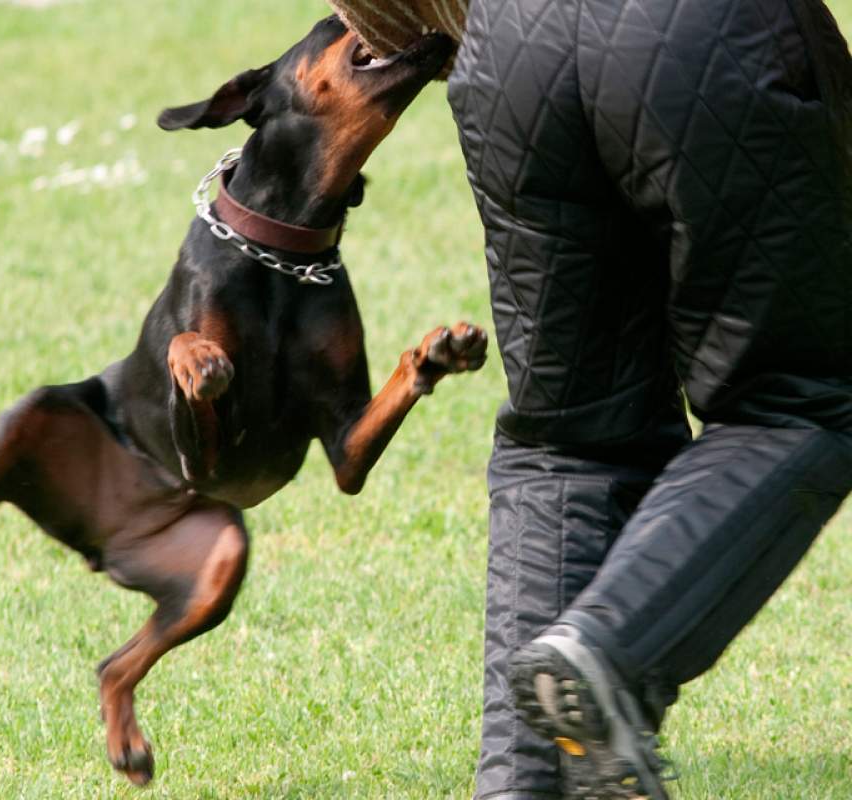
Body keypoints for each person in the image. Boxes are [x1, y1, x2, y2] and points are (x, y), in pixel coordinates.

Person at [327, 1, 852, 798]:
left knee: (565, 446)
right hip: (700, 32)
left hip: (515, 52)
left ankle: (521, 785)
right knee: (801, 399)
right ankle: (612, 654)